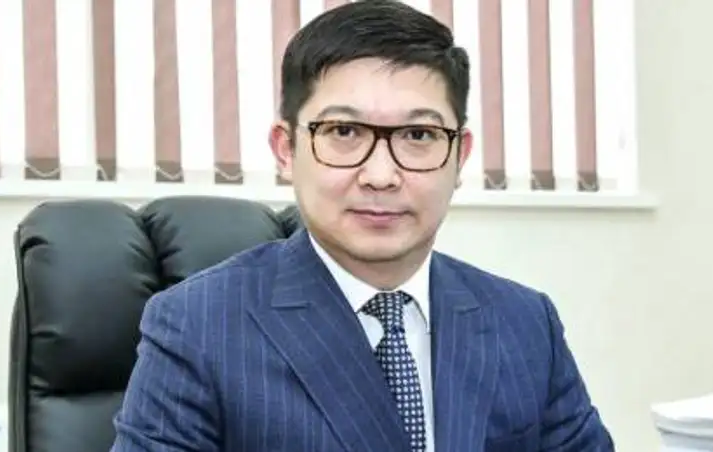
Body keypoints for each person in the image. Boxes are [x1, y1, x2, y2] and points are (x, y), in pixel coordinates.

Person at [110, 1, 614, 451]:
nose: (381, 175)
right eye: (344, 131)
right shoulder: (197, 327)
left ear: (459, 156)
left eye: (419, 134)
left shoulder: (525, 322)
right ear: (286, 150)